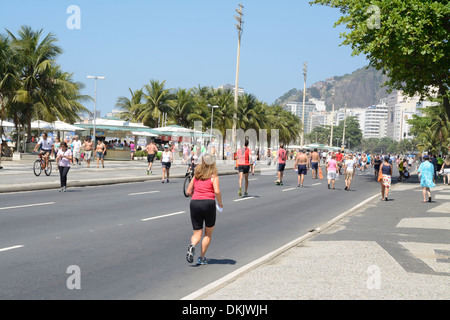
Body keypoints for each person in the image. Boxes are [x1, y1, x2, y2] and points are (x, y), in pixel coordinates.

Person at [185, 154, 223, 265]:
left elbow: (188, 192)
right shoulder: (213, 175)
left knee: (197, 233)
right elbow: (216, 191)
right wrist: (220, 203)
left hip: (195, 203)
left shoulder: (197, 175)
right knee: (208, 233)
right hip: (208, 203)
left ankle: (192, 245)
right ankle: (201, 257)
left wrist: (196, 194)